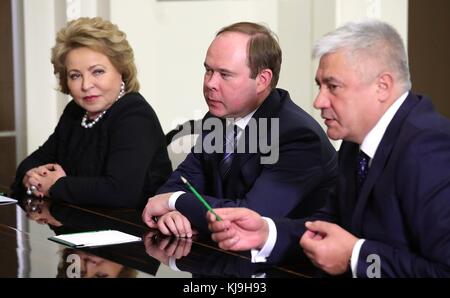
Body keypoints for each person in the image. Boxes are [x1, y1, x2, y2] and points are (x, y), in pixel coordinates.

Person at [207, 19, 450, 277]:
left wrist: (355, 255)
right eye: (319, 86)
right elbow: (325, 227)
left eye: (333, 87)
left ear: (383, 86)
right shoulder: (353, 143)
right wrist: (267, 233)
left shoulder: (430, 149)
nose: (319, 101)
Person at [142, 22, 338, 237]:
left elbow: (249, 219)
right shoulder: (218, 118)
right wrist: (174, 213)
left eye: (225, 74)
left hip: (288, 265)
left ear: (262, 80)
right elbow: (181, 182)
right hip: (224, 257)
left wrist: (175, 202)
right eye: (208, 70)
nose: (210, 84)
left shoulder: (297, 136)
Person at [11, 17, 172, 209]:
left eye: (97, 72)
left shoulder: (135, 116)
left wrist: (56, 185)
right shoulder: (76, 112)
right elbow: (32, 162)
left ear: (121, 69)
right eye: (75, 75)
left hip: (132, 230)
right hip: (80, 225)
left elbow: (120, 193)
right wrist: (34, 176)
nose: (86, 85)